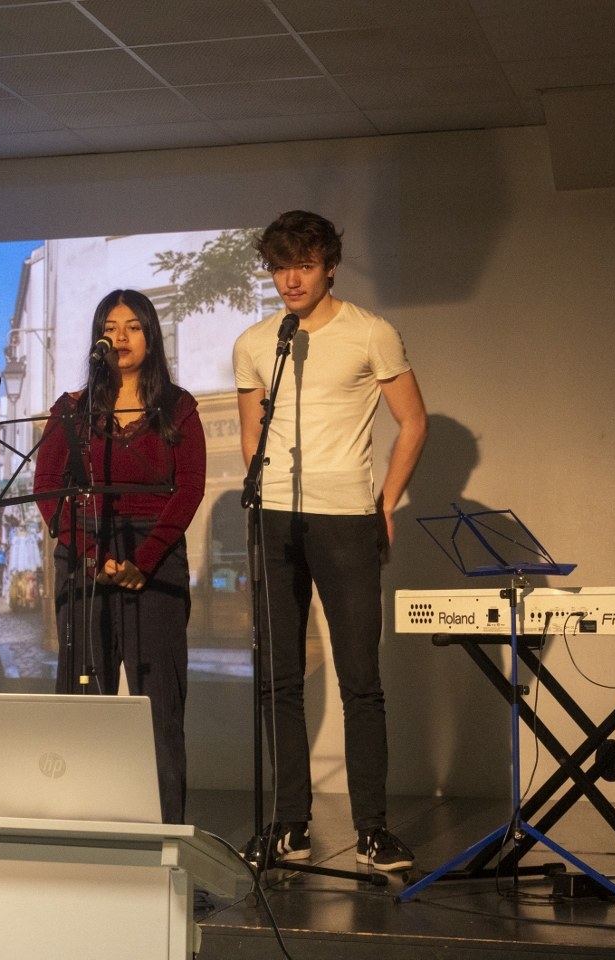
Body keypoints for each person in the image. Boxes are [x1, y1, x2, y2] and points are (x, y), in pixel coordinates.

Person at [232, 210, 427, 871]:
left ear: (330, 266)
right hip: (274, 517)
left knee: (360, 679)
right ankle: (290, 824)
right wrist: (262, 490)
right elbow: (251, 433)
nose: (291, 279)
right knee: (278, 678)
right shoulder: (257, 342)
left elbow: (413, 421)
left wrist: (385, 503)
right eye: (280, 266)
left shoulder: (371, 332)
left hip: (345, 517)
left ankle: (372, 829)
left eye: (305, 265)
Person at [33, 289, 206, 824]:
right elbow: (46, 487)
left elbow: (189, 488)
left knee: (160, 708)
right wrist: (92, 556)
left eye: (133, 326)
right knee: (84, 705)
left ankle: (166, 837)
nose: (121, 337)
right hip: (85, 554)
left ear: (151, 336)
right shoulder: (72, 410)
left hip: (154, 559)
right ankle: (83, 831)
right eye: (110, 328)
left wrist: (143, 561)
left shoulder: (179, 406)